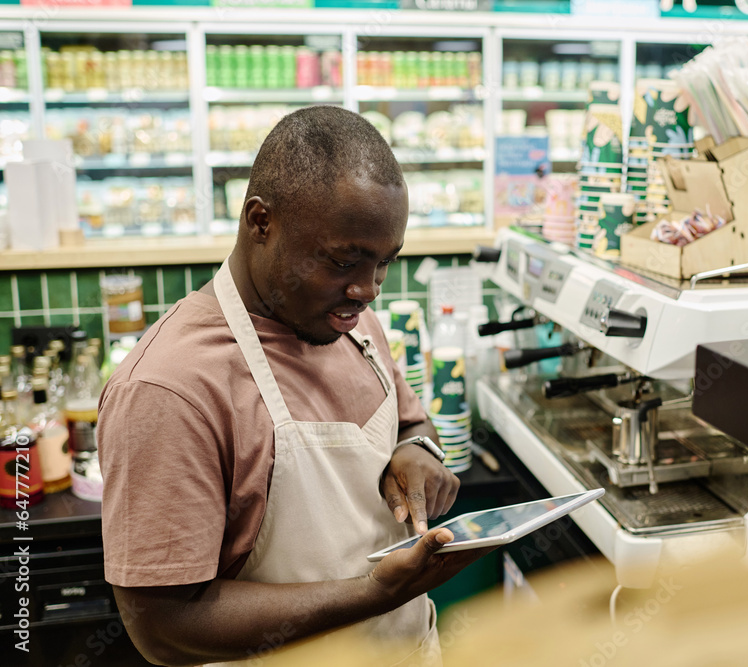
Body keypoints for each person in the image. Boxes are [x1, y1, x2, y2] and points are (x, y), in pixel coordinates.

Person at [97, 106, 488, 667]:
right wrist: (374, 593)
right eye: (343, 260)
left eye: (385, 263)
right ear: (261, 222)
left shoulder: (348, 319)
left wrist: (418, 448)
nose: (368, 290)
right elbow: (163, 625)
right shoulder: (171, 388)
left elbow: (408, 420)